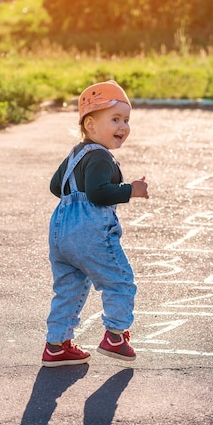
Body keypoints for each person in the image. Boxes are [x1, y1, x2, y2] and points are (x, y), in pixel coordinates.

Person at [42, 80, 149, 367]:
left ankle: (56, 344)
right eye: (115, 119)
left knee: (69, 287)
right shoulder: (101, 157)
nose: (123, 126)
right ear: (90, 125)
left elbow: (56, 186)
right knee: (119, 281)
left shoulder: (76, 153)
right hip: (89, 230)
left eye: (126, 120)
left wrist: (74, 194)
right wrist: (131, 190)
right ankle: (115, 336)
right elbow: (98, 194)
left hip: (61, 230)